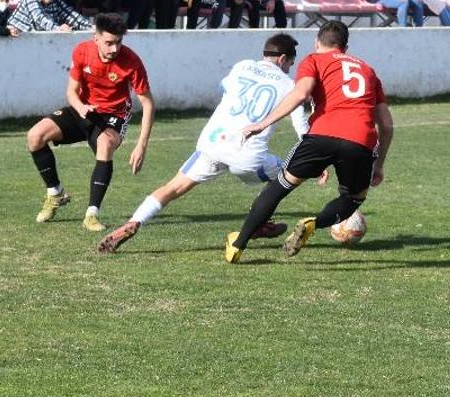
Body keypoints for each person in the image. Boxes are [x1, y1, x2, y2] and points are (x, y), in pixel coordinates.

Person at [98, 34, 307, 253]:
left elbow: (223, 89)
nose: (289, 69)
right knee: (287, 175)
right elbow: (300, 125)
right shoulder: (290, 85)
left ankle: (134, 221)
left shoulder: (243, 66)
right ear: (283, 59)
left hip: (213, 142)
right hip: (247, 155)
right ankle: (259, 223)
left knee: (173, 187)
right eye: (290, 64)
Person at [225, 20, 393, 263]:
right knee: (352, 199)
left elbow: (301, 93)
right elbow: (386, 125)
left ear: (317, 42)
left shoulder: (314, 60)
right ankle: (314, 223)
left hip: (321, 136)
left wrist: (262, 124)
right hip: (360, 141)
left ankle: (238, 245)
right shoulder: (368, 71)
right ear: (345, 46)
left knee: (280, 186)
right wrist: (378, 164)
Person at [27, 13, 156, 231]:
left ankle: (91, 214)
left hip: (113, 116)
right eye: (109, 43)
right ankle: (55, 193)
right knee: (35, 136)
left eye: (118, 42)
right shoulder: (82, 51)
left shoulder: (132, 62)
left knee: (104, 145)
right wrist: (80, 108)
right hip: (83, 109)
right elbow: (71, 91)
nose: (114, 49)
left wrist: (141, 146)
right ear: (96, 38)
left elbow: (148, 104)